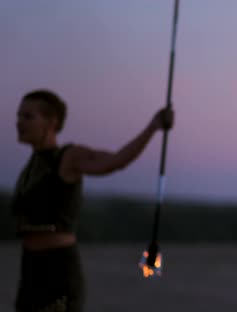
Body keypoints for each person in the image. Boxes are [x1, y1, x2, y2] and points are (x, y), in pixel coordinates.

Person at [12, 89, 174, 312]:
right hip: (30, 268)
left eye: (28, 116)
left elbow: (116, 161)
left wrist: (153, 126)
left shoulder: (69, 157)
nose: (19, 122)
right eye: (19, 116)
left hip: (57, 270)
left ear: (51, 122)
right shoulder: (31, 166)